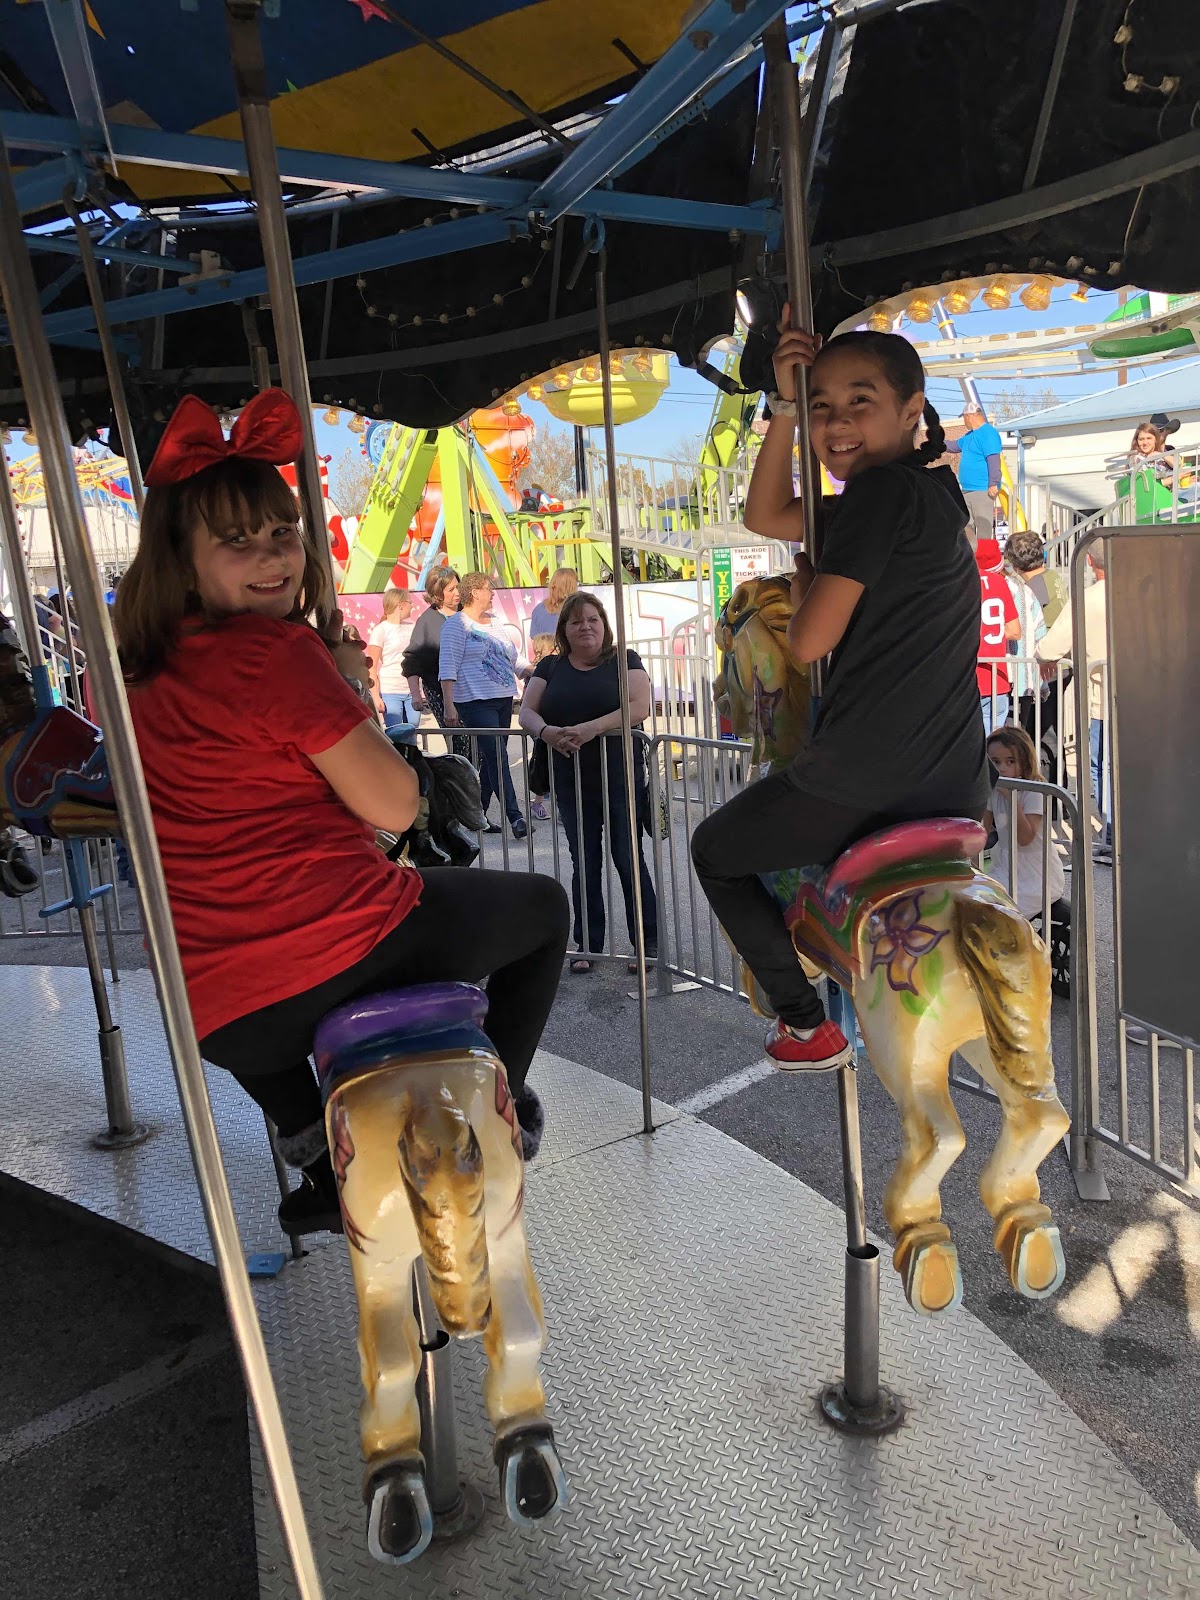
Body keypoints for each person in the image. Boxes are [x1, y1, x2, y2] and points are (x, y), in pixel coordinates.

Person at [113, 390, 569, 1234]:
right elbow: (392, 802)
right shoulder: (273, 652)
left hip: (216, 1009)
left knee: (246, 1001)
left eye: (281, 532)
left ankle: (323, 1160)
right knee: (542, 909)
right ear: (182, 559)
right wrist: (344, 691)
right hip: (333, 948)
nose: (271, 556)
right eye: (237, 541)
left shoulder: (133, 672)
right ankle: (488, 1120)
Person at [690, 311, 989, 1070]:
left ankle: (805, 1023)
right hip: (957, 776)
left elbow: (806, 642)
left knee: (715, 850)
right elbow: (767, 514)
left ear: (911, 409)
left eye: (861, 400)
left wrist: (805, 589)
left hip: (867, 773)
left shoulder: (878, 493)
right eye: (821, 406)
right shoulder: (934, 491)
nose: (837, 422)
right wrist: (785, 405)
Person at [520, 594, 658, 974]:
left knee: (628, 859)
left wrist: (590, 729)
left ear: (604, 625)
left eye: (593, 619)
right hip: (571, 781)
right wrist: (547, 733)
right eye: (577, 621)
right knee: (584, 862)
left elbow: (639, 706)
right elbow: (526, 712)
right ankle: (588, 945)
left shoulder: (624, 660)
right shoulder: (550, 666)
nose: (586, 627)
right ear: (564, 629)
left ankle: (647, 943)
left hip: (621, 778)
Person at [439, 571, 531, 839]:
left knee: (493, 758)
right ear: (475, 592)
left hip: (503, 698)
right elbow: (448, 666)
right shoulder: (456, 625)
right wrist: (448, 705)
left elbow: (512, 658)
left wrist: (535, 671)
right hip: (475, 701)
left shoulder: (495, 622)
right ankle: (516, 817)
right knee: (498, 757)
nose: (492, 593)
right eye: (488, 588)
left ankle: (477, 813)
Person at [1036, 541, 1110, 861]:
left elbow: (1049, 647)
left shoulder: (1086, 599)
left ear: (1090, 561)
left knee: (1103, 764)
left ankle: (1112, 834)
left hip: (1102, 697)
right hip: (1143, 693)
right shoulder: (1142, 592)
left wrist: (1045, 657)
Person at [982, 726, 1065, 919]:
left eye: (1010, 761)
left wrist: (1011, 799)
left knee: (1001, 914)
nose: (1002, 768)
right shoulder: (994, 789)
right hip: (1005, 866)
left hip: (1036, 875)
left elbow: (1025, 838)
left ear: (1024, 761)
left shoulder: (1034, 789)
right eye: (995, 762)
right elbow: (981, 831)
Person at [400, 567, 466, 754]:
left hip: (470, 690)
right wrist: (415, 695)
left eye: (458, 587)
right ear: (437, 593)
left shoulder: (467, 612)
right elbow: (412, 659)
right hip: (439, 691)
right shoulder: (427, 621)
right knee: (460, 743)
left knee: (481, 743)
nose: (457, 593)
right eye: (451, 590)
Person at [975, 537, 1020, 734]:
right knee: (994, 743)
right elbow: (1015, 630)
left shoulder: (957, 582)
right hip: (996, 677)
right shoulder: (999, 581)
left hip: (965, 677)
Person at [945, 400, 1003, 548]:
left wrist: (993, 483)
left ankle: (984, 557)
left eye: (964, 418)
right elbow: (954, 446)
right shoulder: (969, 436)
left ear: (969, 416)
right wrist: (937, 442)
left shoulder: (988, 433)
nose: (964, 422)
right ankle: (971, 556)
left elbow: (993, 459)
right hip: (966, 490)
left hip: (982, 489)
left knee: (983, 528)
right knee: (966, 527)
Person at [367, 587, 416, 738]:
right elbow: (372, 666)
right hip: (391, 689)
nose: (412, 606)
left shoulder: (412, 627)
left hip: (412, 689)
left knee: (414, 730)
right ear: (400, 605)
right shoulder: (381, 630)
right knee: (396, 733)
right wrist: (375, 696)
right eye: (410, 602)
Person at [526, 632, 558, 821]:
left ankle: (558, 804)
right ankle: (538, 802)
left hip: (553, 723)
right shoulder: (540, 671)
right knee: (544, 765)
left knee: (555, 765)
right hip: (542, 725)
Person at [529, 567, 579, 643]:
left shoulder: (538, 610)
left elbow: (535, 639)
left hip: (547, 649)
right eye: (576, 583)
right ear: (571, 586)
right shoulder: (578, 609)